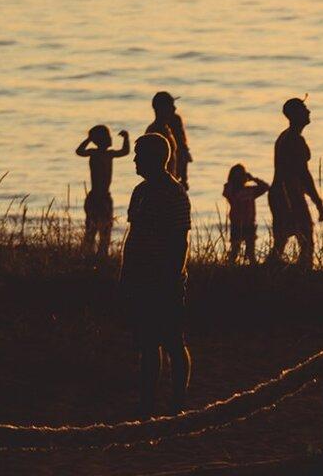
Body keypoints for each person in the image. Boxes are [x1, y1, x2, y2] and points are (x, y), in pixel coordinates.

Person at [122, 133, 192, 416]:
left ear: (153, 158)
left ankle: (177, 402)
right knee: (148, 342)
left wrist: (172, 279)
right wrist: (126, 272)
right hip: (142, 278)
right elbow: (134, 234)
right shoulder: (140, 192)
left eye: (139, 156)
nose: (135, 161)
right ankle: (147, 402)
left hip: (165, 280)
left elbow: (180, 241)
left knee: (173, 342)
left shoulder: (174, 194)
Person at [267, 97, 323, 268]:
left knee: (283, 239)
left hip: (283, 193)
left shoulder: (286, 137)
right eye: (304, 109)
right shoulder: (293, 139)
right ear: (294, 115)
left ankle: (275, 270)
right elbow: (303, 174)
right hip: (287, 193)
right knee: (305, 238)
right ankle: (303, 274)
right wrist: (318, 202)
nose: (308, 112)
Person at [75, 125, 130, 255]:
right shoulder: (94, 153)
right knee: (92, 230)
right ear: (101, 139)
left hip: (104, 197)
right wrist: (89, 139)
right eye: (108, 136)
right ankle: (89, 255)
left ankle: (101, 255)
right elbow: (79, 151)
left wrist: (126, 138)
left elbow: (125, 151)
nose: (111, 138)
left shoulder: (109, 154)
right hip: (97, 197)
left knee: (105, 230)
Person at [221, 164, 269, 264]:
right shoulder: (231, 190)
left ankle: (253, 269)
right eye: (237, 175)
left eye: (242, 175)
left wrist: (253, 178)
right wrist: (234, 181)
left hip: (249, 224)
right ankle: (230, 269)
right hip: (236, 225)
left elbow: (266, 187)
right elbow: (226, 191)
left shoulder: (250, 191)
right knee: (235, 251)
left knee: (251, 253)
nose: (240, 178)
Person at [145, 91, 192, 188]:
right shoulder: (154, 131)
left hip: (172, 182)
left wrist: (183, 179)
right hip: (161, 185)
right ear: (161, 109)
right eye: (171, 105)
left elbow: (183, 151)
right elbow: (149, 163)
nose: (175, 108)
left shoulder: (169, 127)